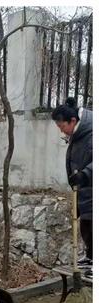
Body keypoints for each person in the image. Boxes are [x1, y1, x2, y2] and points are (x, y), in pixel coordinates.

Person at [52, 97, 93, 279]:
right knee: (86, 223)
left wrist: (84, 174)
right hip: (83, 188)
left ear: (73, 121)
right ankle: (91, 257)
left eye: (62, 127)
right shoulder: (78, 133)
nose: (61, 131)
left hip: (91, 185)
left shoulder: (92, 132)